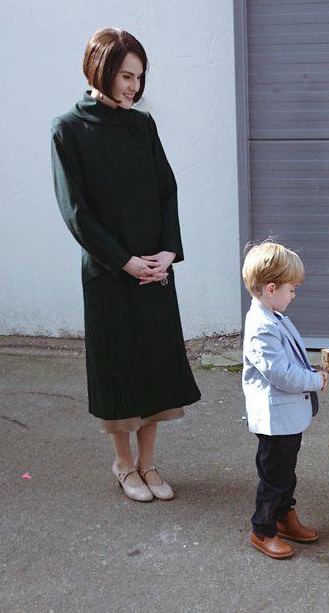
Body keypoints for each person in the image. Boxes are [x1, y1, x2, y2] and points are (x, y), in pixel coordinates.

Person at [51, 28, 201, 502]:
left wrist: (168, 252)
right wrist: (124, 261)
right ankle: (123, 465)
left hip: (154, 267)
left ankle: (150, 464)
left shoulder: (143, 126)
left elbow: (166, 190)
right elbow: (76, 211)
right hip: (109, 271)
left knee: (154, 362)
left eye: (139, 78)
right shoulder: (68, 130)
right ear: (101, 70)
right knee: (119, 366)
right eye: (126, 76)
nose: (134, 87)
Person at [241, 240, 328, 558]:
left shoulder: (273, 316)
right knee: (274, 477)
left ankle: (284, 516)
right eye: (291, 289)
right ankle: (262, 531)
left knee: (285, 472)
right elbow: (281, 374)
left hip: (286, 418)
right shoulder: (262, 328)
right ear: (271, 288)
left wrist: (313, 371)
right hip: (274, 419)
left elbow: (290, 362)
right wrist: (314, 380)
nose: (294, 294)